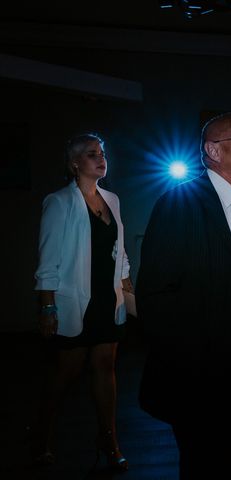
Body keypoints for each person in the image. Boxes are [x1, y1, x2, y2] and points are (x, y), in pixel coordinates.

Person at [136, 112, 231, 479]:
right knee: (204, 463)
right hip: (198, 374)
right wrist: (193, 365)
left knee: (224, 459)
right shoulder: (182, 202)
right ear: (213, 150)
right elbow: (155, 296)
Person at [33, 133, 132, 471]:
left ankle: (109, 438)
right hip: (75, 300)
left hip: (108, 298)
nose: (100, 158)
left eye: (102, 153)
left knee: (106, 368)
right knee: (66, 372)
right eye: (91, 154)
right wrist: (48, 307)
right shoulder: (59, 202)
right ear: (75, 163)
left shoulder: (113, 199)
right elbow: (47, 261)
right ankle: (42, 436)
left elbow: (121, 254)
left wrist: (128, 292)